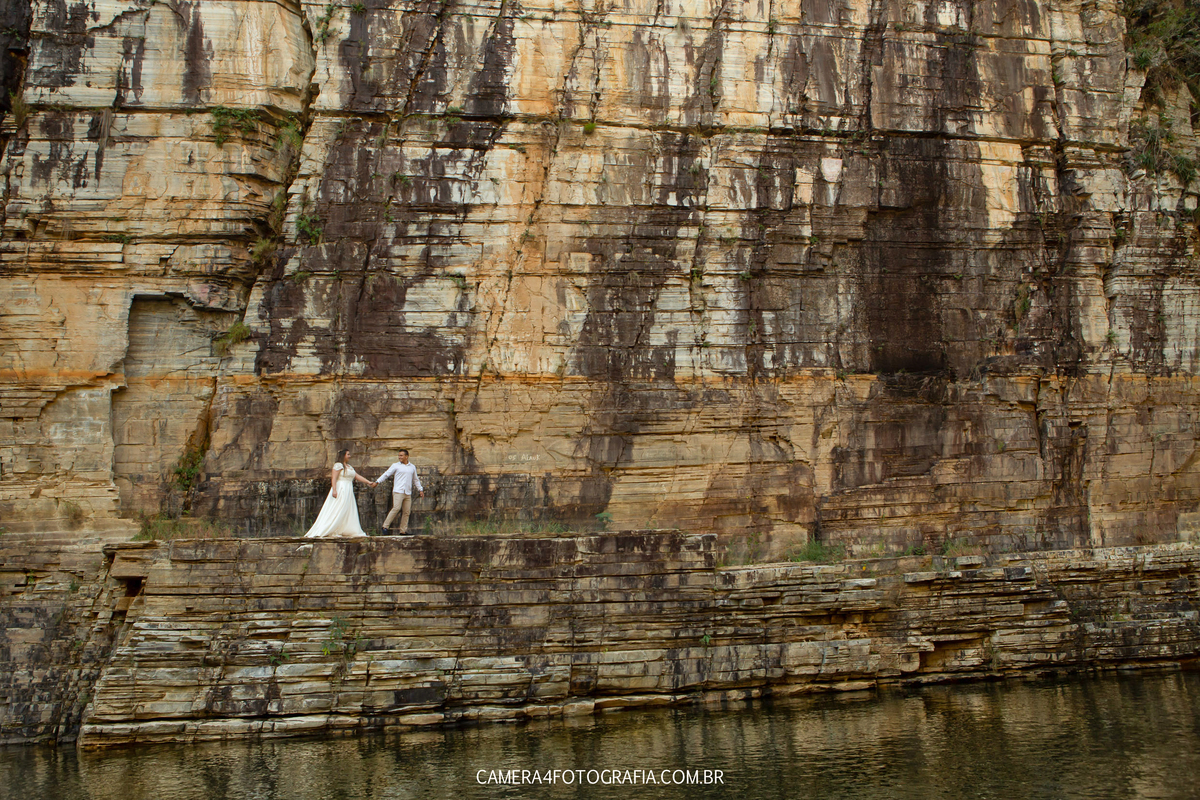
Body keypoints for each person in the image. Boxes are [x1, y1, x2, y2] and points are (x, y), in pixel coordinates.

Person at [304, 448, 376, 538]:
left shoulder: (349, 467)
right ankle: (332, 527)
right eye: (348, 454)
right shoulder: (338, 465)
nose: (349, 456)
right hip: (341, 488)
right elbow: (334, 478)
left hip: (348, 489)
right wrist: (334, 490)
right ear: (343, 455)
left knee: (347, 508)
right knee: (338, 507)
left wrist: (368, 482)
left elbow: (357, 476)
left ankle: (345, 528)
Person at [376, 449, 424, 534]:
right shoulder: (395, 465)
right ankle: (385, 526)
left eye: (401, 455)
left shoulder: (412, 467)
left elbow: (415, 479)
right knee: (396, 508)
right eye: (399, 455)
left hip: (407, 492)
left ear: (406, 456)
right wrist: (377, 481)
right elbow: (386, 474)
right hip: (398, 491)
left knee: (406, 511)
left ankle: (403, 530)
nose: (399, 457)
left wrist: (420, 489)